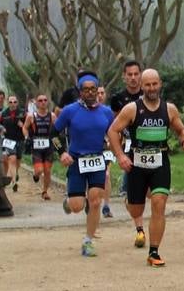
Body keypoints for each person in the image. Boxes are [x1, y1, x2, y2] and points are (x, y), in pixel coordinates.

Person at [107, 68, 184, 267]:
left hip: (160, 162)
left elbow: (180, 128)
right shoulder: (131, 109)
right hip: (137, 164)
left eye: (155, 84)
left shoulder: (169, 109)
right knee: (135, 209)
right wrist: (120, 156)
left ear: (160, 84)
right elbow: (113, 130)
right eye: (147, 85)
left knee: (159, 203)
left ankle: (154, 251)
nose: (152, 88)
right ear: (142, 86)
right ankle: (130, 199)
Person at [53, 74, 115, 257]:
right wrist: (62, 152)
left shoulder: (105, 112)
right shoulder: (70, 111)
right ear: (80, 92)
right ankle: (69, 202)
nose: (90, 92)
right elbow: (53, 134)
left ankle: (88, 241)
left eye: (93, 89)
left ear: (98, 91)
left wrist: (116, 147)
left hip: (97, 161)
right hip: (76, 161)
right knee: (77, 206)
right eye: (86, 89)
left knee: (95, 201)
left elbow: (115, 133)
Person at [110, 60, 143, 200]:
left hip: (146, 137)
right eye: (130, 74)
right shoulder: (117, 98)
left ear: (140, 75)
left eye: (136, 74)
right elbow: (115, 123)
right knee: (130, 163)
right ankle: (126, 189)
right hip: (127, 138)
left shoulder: (148, 94)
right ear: (124, 76)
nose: (133, 78)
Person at [22, 94, 56, 200]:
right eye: (40, 100)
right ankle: (36, 175)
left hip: (48, 146)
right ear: (36, 103)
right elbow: (24, 127)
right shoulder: (31, 116)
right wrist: (27, 137)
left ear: (48, 102)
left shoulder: (52, 116)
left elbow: (57, 129)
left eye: (45, 100)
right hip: (36, 146)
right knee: (39, 170)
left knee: (47, 170)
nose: (43, 102)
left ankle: (45, 191)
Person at [0, 95, 26, 191]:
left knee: (17, 160)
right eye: (11, 102)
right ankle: (14, 181)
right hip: (8, 140)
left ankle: (15, 173)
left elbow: (28, 125)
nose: (13, 104)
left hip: (20, 140)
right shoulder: (4, 114)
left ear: (17, 103)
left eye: (14, 102)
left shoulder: (23, 113)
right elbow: (0, 125)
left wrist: (23, 125)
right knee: (12, 159)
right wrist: (2, 129)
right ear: (8, 102)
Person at [97, 85, 115, 218]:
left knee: (107, 175)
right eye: (98, 93)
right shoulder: (86, 110)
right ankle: (90, 201)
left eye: (102, 93)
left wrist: (111, 140)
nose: (100, 95)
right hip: (90, 148)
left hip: (105, 148)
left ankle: (106, 206)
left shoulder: (109, 112)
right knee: (91, 177)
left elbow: (115, 129)